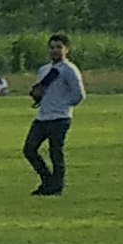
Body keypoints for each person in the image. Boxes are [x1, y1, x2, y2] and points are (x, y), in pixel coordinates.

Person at [23, 33, 81, 195]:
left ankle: (57, 187)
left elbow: (79, 95)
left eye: (59, 47)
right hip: (43, 117)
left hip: (60, 118)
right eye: (52, 47)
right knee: (29, 149)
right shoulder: (44, 70)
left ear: (66, 50)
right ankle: (48, 181)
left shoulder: (69, 70)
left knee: (56, 152)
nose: (55, 50)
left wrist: (62, 105)